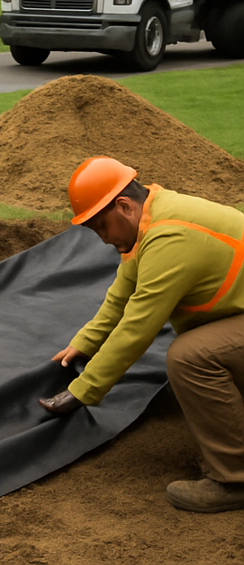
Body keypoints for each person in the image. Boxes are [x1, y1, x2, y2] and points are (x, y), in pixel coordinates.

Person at [39, 155, 244, 513]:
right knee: (203, 345)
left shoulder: (170, 238)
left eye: (102, 227)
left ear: (123, 206)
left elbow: (138, 326)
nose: (102, 239)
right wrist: (84, 343)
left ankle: (235, 479)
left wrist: (82, 391)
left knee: (190, 356)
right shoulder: (153, 213)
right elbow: (123, 292)